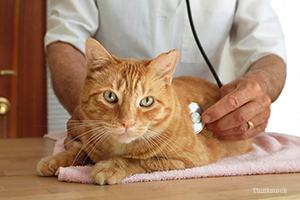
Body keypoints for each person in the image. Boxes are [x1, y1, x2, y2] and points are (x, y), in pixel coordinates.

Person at [45, 0, 286, 149]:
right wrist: (88, 107)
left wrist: (260, 85)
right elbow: (65, 39)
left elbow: (267, 49)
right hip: (107, 125)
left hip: (203, 125)